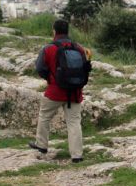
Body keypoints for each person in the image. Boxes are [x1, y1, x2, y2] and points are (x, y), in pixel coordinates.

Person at [29, 20, 91, 163]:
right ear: (68, 31)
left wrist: (51, 79)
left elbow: (40, 68)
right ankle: (77, 155)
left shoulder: (49, 48)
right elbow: (85, 69)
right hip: (75, 92)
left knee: (44, 116)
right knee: (74, 122)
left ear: (54, 31)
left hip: (55, 92)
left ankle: (41, 145)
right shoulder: (79, 48)